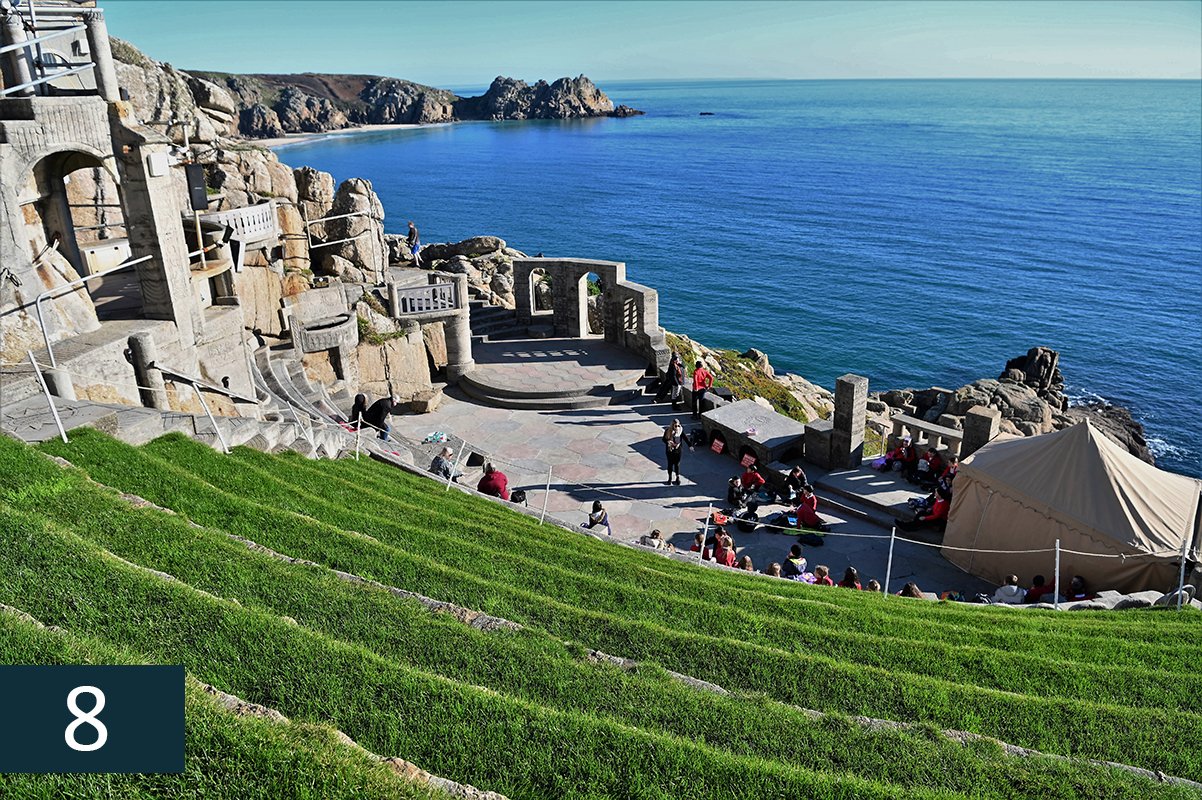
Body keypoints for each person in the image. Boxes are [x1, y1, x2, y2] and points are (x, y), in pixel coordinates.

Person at [663, 419, 685, 485]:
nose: (677, 427)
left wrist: (690, 445)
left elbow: (685, 437)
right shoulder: (668, 431)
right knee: (670, 464)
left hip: (678, 451)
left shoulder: (680, 430)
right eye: (675, 426)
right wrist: (668, 442)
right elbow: (663, 439)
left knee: (677, 464)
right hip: (670, 450)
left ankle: (677, 477)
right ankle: (670, 478)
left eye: (678, 425)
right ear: (672, 425)